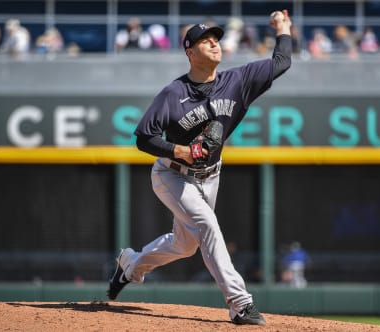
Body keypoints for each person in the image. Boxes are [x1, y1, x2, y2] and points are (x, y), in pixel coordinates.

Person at [107, 9, 292, 326]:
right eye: (204, 40)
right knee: (207, 225)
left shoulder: (238, 81)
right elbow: (143, 138)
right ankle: (240, 303)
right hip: (171, 175)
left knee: (184, 245)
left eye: (216, 39)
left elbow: (281, 63)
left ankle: (130, 265)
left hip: (211, 176)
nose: (214, 44)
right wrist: (178, 149)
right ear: (189, 52)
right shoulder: (173, 93)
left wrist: (283, 30)